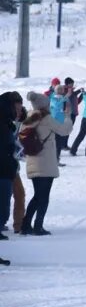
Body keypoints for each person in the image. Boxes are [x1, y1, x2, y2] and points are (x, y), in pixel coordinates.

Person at [19, 91, 72, 236]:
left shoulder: (28, 118)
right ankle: (38, 227)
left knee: (37, 196)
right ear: (45, 105)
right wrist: (67, 116)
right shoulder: (47, 118)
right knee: (43, 197)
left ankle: (25, 225)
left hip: (32, 162)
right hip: (46, 163)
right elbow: (64, 130)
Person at [0, 92, 20, 240]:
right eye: (17, 107)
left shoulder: (6, 122)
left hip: (6, 168)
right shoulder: (3, 124)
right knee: (3, 205)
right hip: (3, 169)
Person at [49, 84, 69, 165]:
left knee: (58, 143)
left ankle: (56, 159)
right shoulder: (53, 98)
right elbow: (56, 106)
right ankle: (54, 160)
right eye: (62, 90)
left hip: (60, 123)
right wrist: (64, 98)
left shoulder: (61, 98)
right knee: (56, 143)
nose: (63, 91)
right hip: (55, 124)